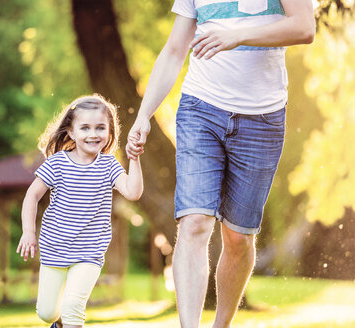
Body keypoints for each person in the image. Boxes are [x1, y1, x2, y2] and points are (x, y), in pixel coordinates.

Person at [126, 0, 315, 327]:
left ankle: (222, 324)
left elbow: (304, 27)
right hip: (201, 108)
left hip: (263, 118)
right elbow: (174, 50)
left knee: (238, 239)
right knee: (194, 222)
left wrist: (239, 36)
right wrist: (144, 114)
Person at [16, 94, 143, 328]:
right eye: (85, 128)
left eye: (100, 128)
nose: (93, 134)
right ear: (71, 132)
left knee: (73, 306)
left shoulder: (108, 165)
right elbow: (31, 196)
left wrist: (134, 159)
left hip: (89, 251)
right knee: (46, 313)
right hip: (55, 248)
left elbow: (133, 192)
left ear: (109, 131)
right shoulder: (57, 164)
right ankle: (59, 323)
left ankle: (69, 319)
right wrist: (28, 232)